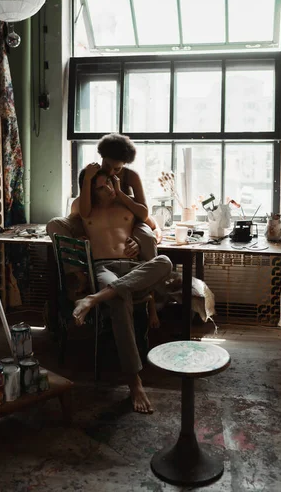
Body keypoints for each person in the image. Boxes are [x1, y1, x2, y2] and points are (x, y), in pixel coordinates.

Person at [72, 169, 172, 413]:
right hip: (103, 267)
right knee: (118, 299)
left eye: (109, 183)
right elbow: (63, 227)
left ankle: (94, 299)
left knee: (165, 262)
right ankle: (134, 382)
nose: (108, 190)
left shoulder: (126, 204)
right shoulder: (81, 208)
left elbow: (154, 225)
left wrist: (143, 239)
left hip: (133, 266)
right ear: (87, 189)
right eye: (100, 187)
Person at [71, 133, 162, 249]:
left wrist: (120, 194)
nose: (110, 172)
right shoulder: (93, 174)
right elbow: (84, 210)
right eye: (107, 166)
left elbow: (143, 214)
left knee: (149, 232)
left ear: (124, 164)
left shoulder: (131, 176)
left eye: (117, 169)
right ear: (102, 157)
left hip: (128, 220)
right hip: (103, 223)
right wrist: (87, 179)